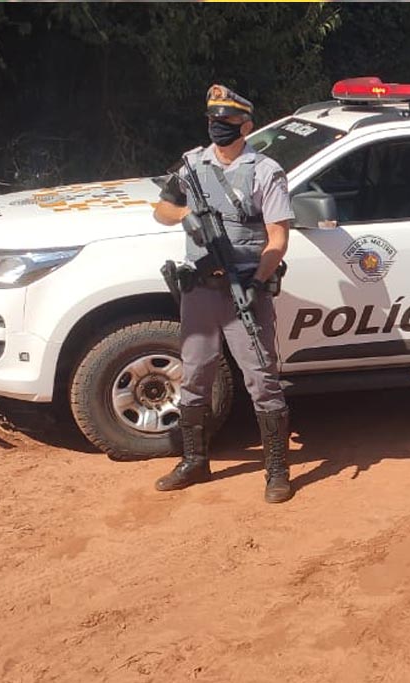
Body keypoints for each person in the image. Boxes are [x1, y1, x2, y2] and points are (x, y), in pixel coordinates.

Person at [151, 84, 294, 503]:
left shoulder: (265, 171)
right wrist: (187, 216)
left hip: (245, 290)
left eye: (227, 123)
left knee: (262, 381)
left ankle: (276, 470)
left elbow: (278, 238)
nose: (218, 128)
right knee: (194, 378)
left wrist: (254, 284)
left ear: (245, 126)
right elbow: (161, 210)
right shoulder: (192, 164)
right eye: (213, 121)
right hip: (200, 291)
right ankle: (195, 460)